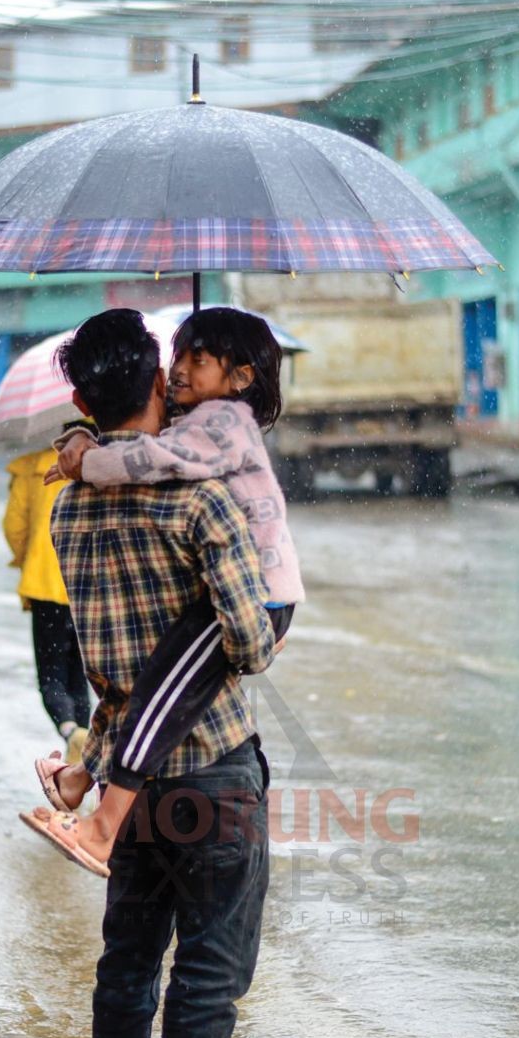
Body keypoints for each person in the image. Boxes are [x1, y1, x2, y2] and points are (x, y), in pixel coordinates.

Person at [18, 308, 277, 1038]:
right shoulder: (204, 504)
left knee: (126, 969)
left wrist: (89, 765)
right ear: (161, 382)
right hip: (214, 771)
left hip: (129, 788)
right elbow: (251, 641)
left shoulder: (69, 513)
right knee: (207, 980)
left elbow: (116, 675)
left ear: (86, 402)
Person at [34, 306, 304, 871]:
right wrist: (87, 442)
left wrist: (87, 460)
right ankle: (84, 781)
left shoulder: (224, 424)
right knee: (158, 678)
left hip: (264, 598)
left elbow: (154, 454)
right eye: (175, 357)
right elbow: (149, 444)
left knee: (159, 687)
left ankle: (104, 820)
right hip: (215, 764)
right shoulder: (194, 443)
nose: (179, 369)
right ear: (157, 379)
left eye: (196, 359)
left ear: (240, 379)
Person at [2, 435, 90, 760]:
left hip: (45, 583)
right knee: (79, 677)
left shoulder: (33, 466)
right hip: (86, 588)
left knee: (52, 676)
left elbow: (15, 526)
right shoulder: (98, 463)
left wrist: (27, 559)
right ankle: (84, 760)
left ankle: (70, 731)